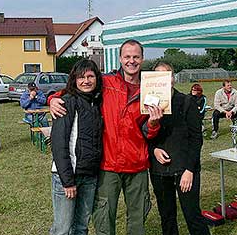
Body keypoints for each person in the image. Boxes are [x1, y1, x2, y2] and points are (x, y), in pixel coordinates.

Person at [49, 39, 163, 235]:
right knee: (103, 220)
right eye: (127, 57)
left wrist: (153, 124)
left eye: (136, 57)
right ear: (120, 59)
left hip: (137, 165)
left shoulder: (152, 88)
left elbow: (146, 130)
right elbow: (73, 90)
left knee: (137, 221)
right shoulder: (107, 83)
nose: (131, 61)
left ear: (142, 59)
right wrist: (52, 99)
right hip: (108, 165)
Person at [149, 62, 210, 235]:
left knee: (192, 214)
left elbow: (196, 138)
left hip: (184, 169)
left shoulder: (187, 101)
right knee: (167, 216)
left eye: (167, 74)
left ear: (173, 78)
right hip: (160, 170)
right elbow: (143, 134)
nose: (163, 79)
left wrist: (190, 169)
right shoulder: (147, 103)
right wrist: (153, 150)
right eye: (158, 75)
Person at [50, 59, 103, 235]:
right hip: (67, 176)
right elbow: (59, 145)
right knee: (63, 229)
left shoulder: (96, 103)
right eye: (81, 77)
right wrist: (68, 181)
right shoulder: (67, 102)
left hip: (89, 176)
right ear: (74, 80)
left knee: (81, 227)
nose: (86, 81)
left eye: (90, 76)